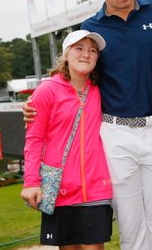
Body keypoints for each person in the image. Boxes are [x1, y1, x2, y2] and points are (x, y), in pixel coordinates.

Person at [24, 0, 152, 250]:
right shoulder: (91, 30)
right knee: (130, 224)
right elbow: (75, 69)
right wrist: (38, 101)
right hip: (115, 135)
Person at [21, 30, 113, 250]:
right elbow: (34, 139)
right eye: (79, 48)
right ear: (66, 55)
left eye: (92, 50)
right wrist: (31, 182)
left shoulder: (103, 90)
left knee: (94, 247)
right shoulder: (47, 90)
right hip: (60, 187)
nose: (86, 54)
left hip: (96, 187)